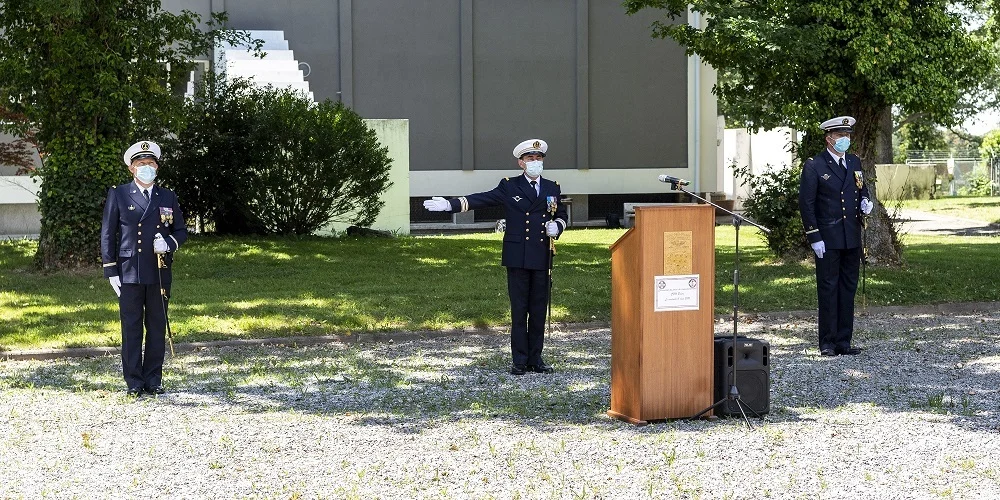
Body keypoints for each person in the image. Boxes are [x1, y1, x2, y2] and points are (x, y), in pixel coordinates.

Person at [423, 139, 568, 375]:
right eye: (530, 159)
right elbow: (483, 198)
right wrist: (449, 205)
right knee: (520, 309)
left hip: (542, 255)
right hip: (517, 256)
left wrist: (558, 227)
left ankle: (536, 359)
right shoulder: (510, 186)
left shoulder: (553, 187)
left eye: (539, 158)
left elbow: (561, 214)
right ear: (521, 163)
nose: (535, 162)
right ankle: (519, 360)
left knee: (538, 308)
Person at [101, 141, 187, 395]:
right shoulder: (119, 194)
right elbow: (108, 234)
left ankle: (153, 379)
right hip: (129, 270)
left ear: (157, 167)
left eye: (150, 164)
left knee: (157, 324)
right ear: (131, 169)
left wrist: (169, 243)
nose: (146, 168)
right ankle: (134, 381)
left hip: (159, 270)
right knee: (131, 325)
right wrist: (110, 270)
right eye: (141, 164)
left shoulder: (167, 196)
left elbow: (181, 231)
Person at [799, 116, 873, 356]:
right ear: (828, 138)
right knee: (828, 289)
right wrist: (814, 236)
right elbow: (807, 204)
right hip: (828, 238)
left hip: (851, 236)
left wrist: (866, 202)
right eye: (841, 136)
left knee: (848, 289)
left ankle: (844, 340)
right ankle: (827, 342)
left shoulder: (854, 162)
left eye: (848, 135)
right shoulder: (815, 165)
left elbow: (862, 189)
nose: (845, 140)